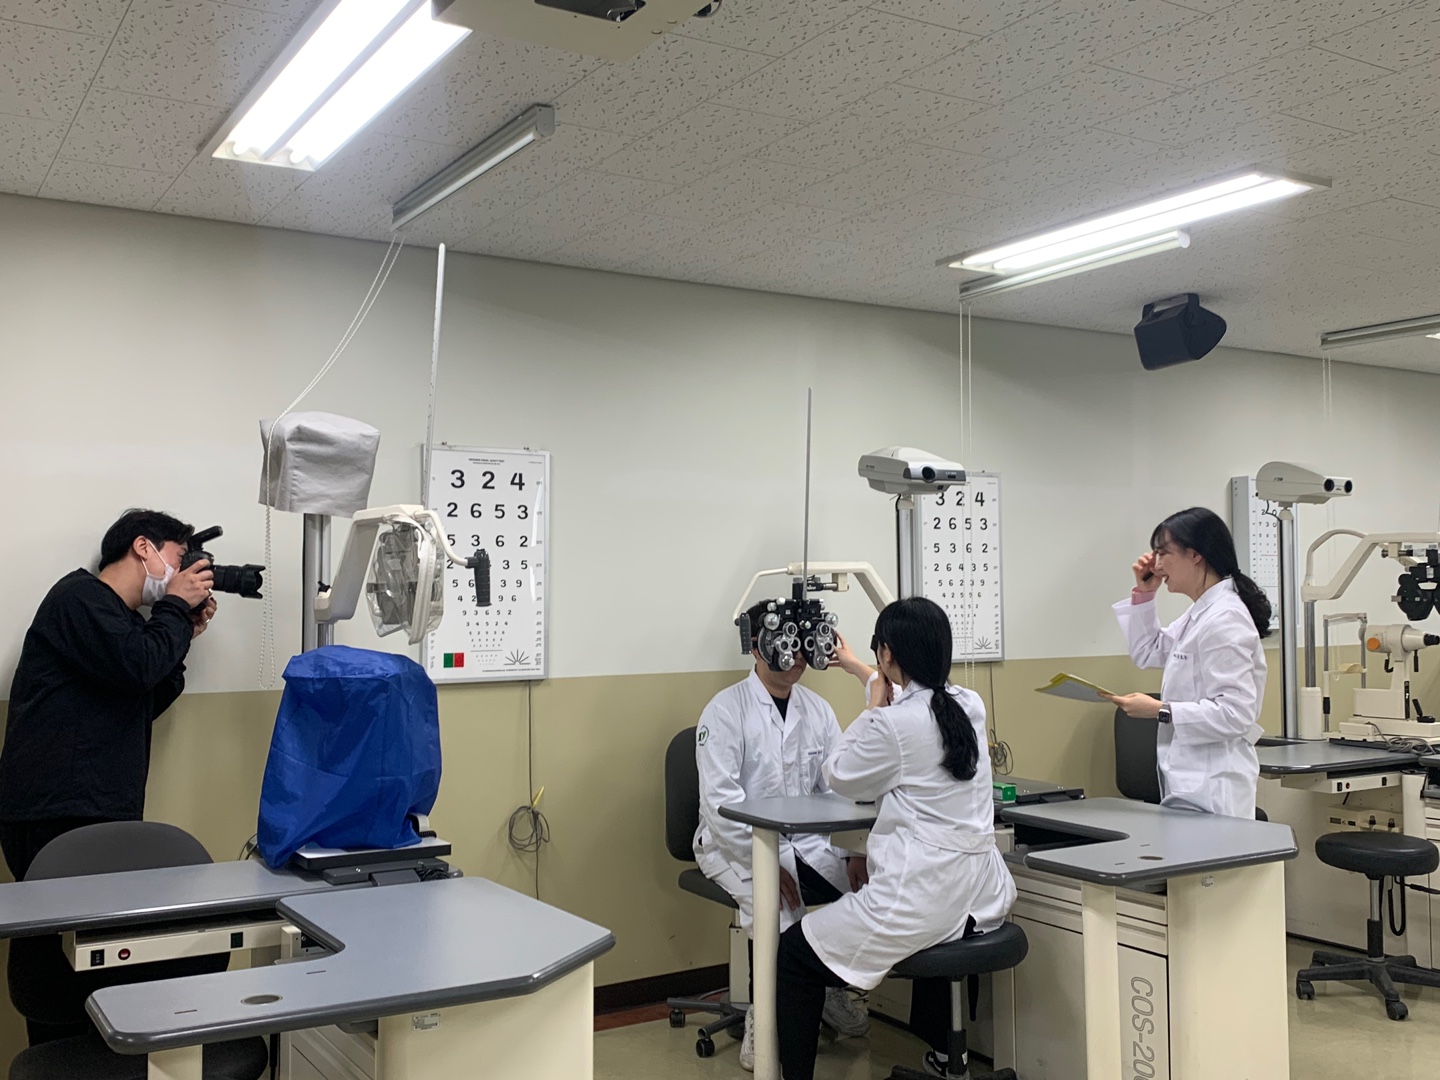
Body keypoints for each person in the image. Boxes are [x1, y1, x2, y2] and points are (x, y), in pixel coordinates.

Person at [777, 597, 1016, 1080]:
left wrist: (871, 704)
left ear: (888, 654)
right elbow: (917, 701)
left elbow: (840, 773)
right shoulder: (969, 704)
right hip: (981, 893)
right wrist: (857, 668)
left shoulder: (891, 724)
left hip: (921, 899)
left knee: (794, 953)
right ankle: (946, 1056)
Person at [694, 600, 871, 1071]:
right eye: (783, 643)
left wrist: (856, 850)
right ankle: (764, 1015)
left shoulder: (818, 710)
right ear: (756, 646)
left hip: (806, 841)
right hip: (732, 845)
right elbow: (718, 806)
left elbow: (841, 789)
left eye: (801, 644)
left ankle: (826, 987)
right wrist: (764, 865)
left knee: (870, 889)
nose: (795, 657)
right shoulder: (725, 711)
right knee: (778, 912)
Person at [0, 509, 217, 886]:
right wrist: (174, 607)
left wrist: (183, 632)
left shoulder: (128, 622)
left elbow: (145, 699)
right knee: (58, 920)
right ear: (143, 547)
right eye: (180, 558)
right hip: (56, 808)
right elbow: (140, 667)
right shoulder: (80, 597)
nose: (183, 573)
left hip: (98, 804)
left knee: (101, 918)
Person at [1104, 506, 1271, 820]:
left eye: (1163, 553)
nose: (1156, 565)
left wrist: (1161, 710)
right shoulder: (1202, 613)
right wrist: (1144, 594)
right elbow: (1148, 651)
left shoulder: (1225, 618)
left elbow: (1236, 715)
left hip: (1216, 786)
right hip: (1192, 781)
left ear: (1195, 555)